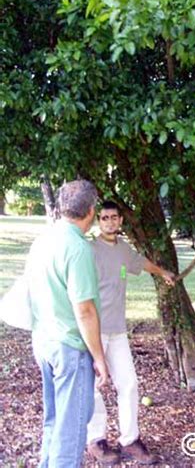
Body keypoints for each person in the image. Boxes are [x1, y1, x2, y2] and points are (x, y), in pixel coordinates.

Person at [87, 201, 176, 465]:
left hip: (117, 330)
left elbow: (141, 262)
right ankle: (96, 441)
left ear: (121, 221)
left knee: (128, 384)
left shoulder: (124, 249)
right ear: (98, 221)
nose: (110, 222)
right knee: (94, 386)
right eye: (104, 218)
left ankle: (129, 440)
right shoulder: (90, 250)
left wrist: (163, 273)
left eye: (114, 217)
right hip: (94, 330)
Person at [26, 179, 108, 468]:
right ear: (91, 210)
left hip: (44, 341)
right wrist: (99, 358)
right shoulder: (78, 248)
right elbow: (85, 310)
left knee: (55, 420)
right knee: (71, 430)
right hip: (68, 348)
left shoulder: (43, 240)